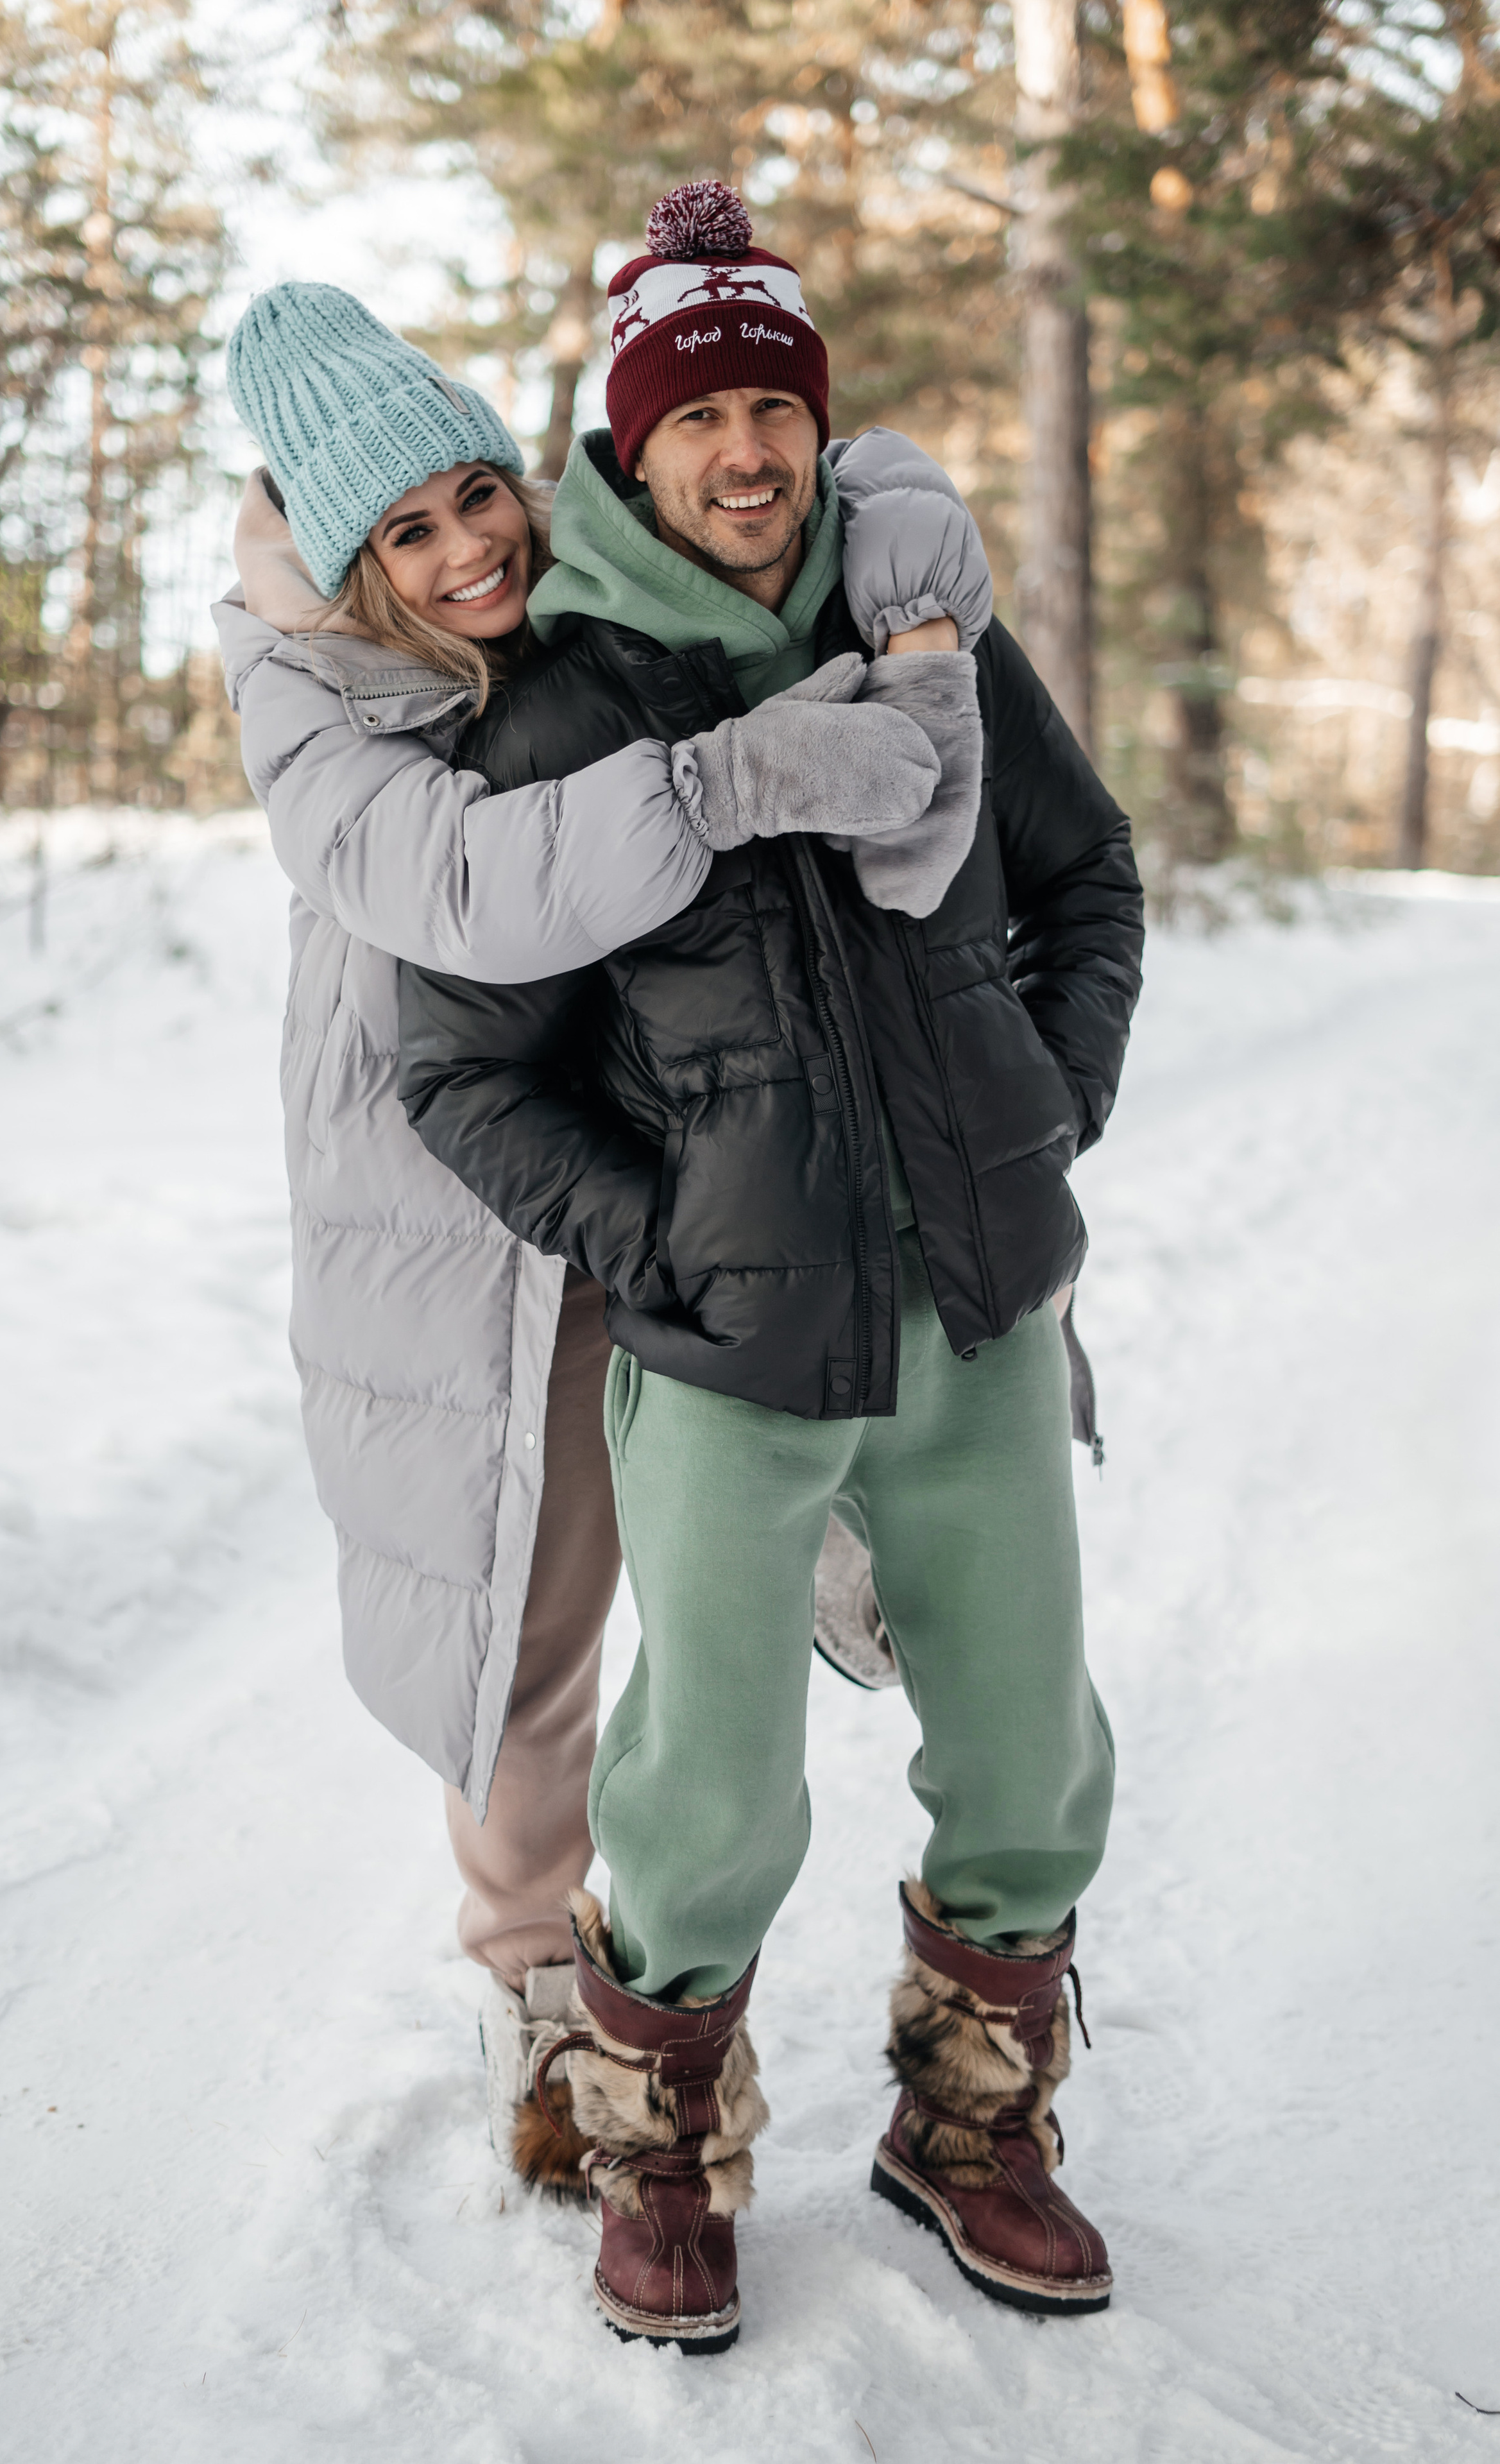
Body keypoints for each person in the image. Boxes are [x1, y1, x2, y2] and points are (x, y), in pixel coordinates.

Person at [396, 182, 1145, 2347]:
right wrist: (666, 1245)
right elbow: (465, 1072)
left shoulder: (929, 639)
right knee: (702, 1792)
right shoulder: (556, 714)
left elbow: (1084, 878)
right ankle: (666, 2155)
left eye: (778, 410)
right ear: (627, 450)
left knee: (1029, 1755)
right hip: (732, 1353)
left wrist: (1040, 1101)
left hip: (984, 1313)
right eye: (699, 413)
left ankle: (971, 2125)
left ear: (822, 431)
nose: (748, 451)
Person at [215, 271, 998, 2190]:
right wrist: (719, 784)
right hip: (462, 1223)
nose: (471, 547)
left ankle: (827, 1538)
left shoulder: (579, 586)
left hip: (677, 1145)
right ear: (346, 562)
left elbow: (822, 485)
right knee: (531, 1620)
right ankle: (539, 1997)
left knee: (745, 1454)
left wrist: (896, 524)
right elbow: (467, 884)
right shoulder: (304, 695)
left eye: (479, 494)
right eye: (409, 532)